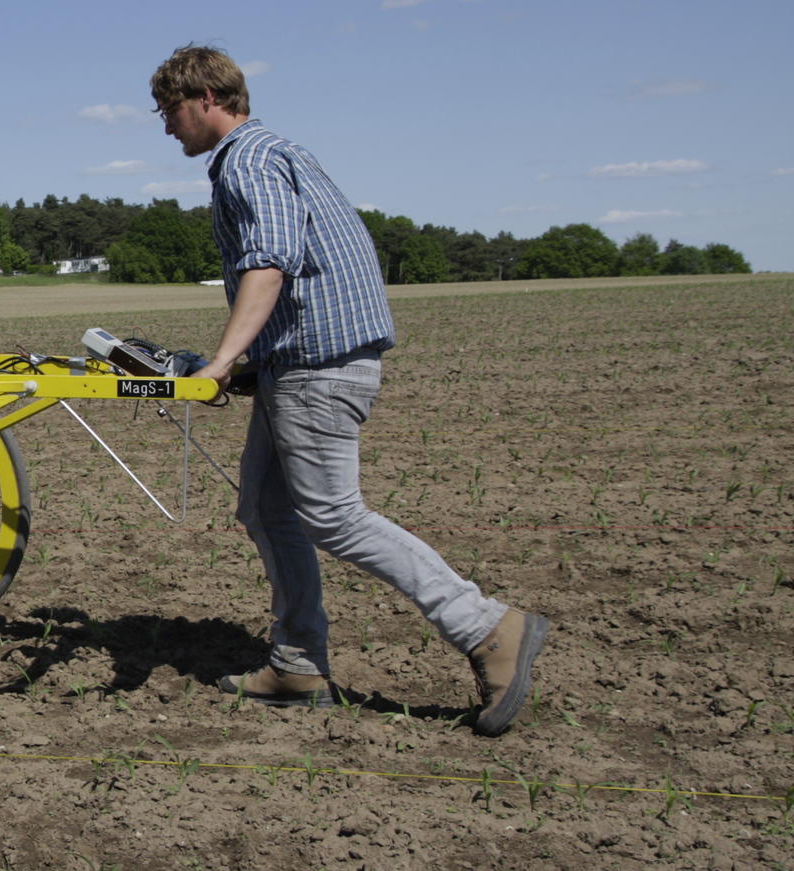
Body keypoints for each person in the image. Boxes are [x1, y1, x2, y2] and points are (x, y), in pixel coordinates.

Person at [148, 44, 547, 736]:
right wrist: (249, 364)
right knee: (267, 509)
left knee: (333, 514)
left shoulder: (246, 160)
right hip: (297, 363)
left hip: (317, 367)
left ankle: (487, 627)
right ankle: (298, 663)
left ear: (206, 97)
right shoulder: (278, 152)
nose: (166, 126)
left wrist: (220, 361)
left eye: (170, 110)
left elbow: (270, 264)